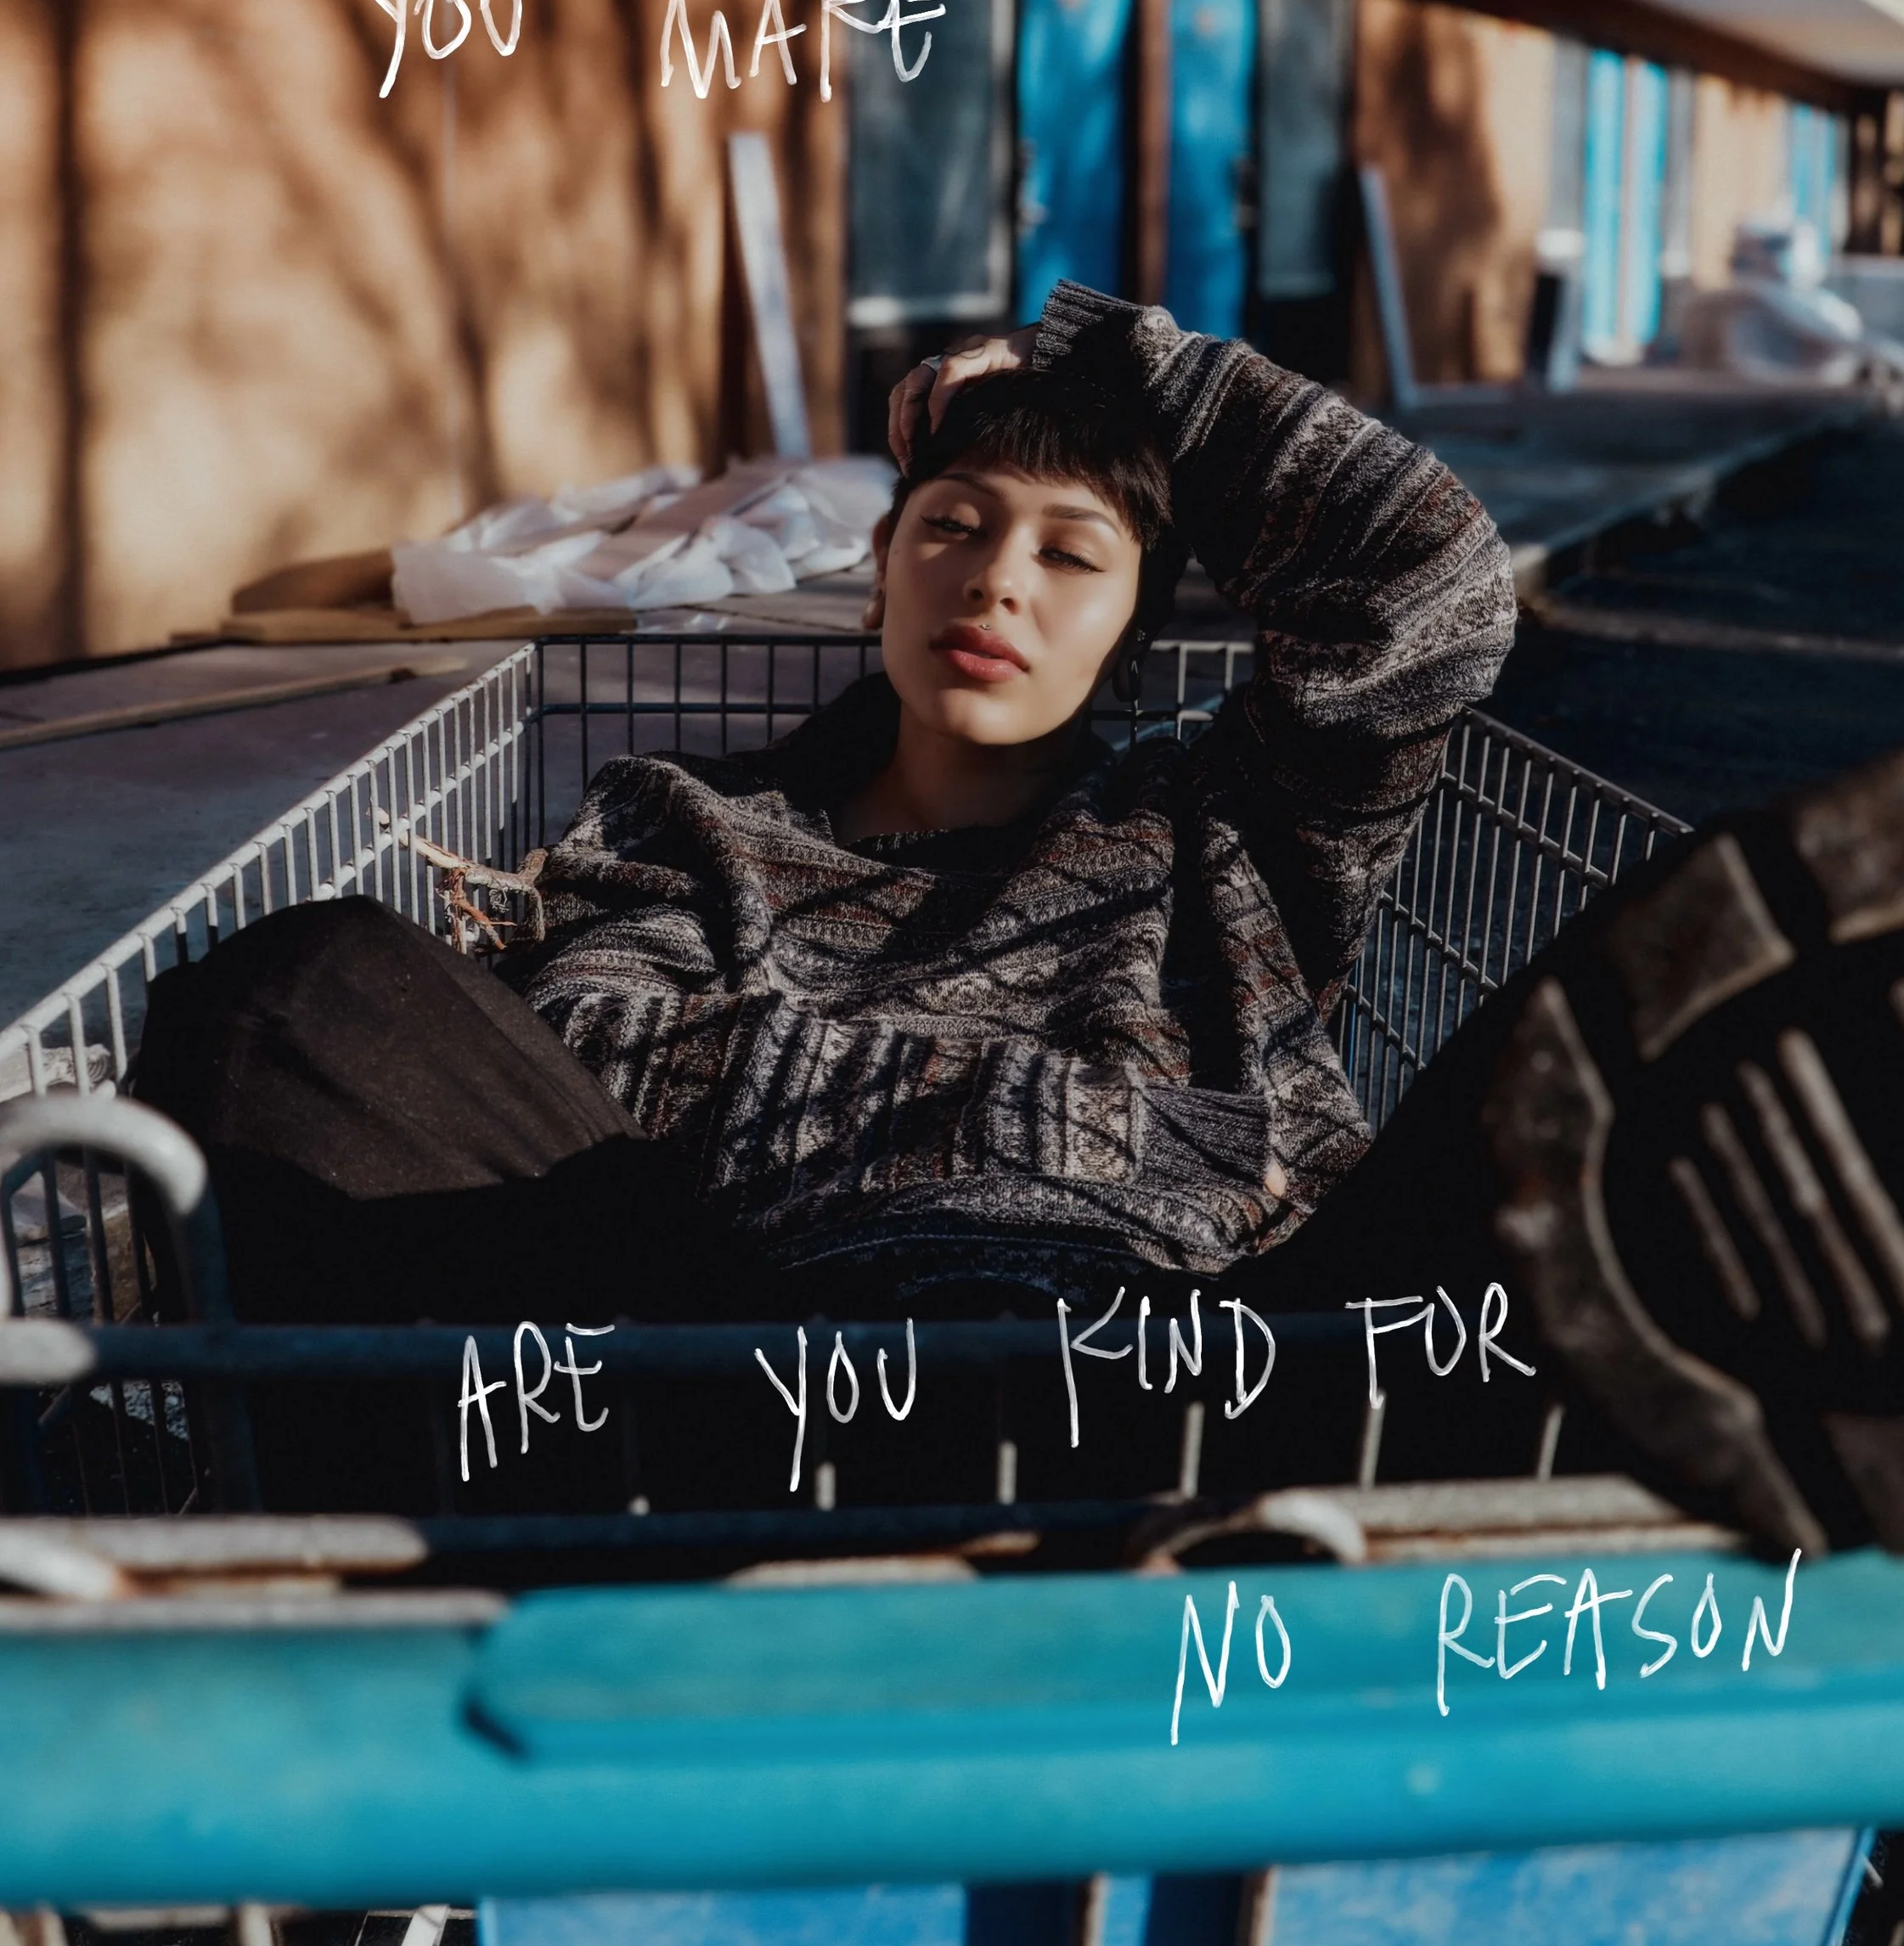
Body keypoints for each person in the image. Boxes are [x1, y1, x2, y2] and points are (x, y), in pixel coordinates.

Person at [134, 284, 1518, 1366]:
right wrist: (1049, 1131)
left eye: (1070, 554)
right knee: (294, 996)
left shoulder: (1230, 834)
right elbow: (594, 1071)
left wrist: (1100, 357)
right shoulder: (691, 824)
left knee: (1670, 970)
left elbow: (1433, 578)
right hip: (743, 1372)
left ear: (1135, 633)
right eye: (953, 526)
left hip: (1154, 1371)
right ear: (880, 578)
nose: (993, 584)